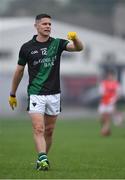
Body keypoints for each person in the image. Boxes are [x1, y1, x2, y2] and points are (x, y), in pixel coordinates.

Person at [8, 13, 83, 171]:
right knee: (39, 129)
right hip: (36, 93)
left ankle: (42, 159)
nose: (48, 26)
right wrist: (12, 94)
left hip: (54, 94)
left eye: (49, 24)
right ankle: (43, 158)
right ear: (36, 26)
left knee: (49, 131)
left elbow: (78, 48)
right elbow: (19, 71)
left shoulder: (57, 43)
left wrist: (75, 38)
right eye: (44, 24)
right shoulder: (26, 47)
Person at [98, 69, 121, 136]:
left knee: (107, 117)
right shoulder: (104, 83)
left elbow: (118, 94)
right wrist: (105, 95)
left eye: (111, 75)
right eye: (109, 75)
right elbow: (101, 93)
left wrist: (114, 100)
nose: (110, 77)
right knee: (102, 118)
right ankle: (107, 129)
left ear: (113, 76)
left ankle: (105, 130)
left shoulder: (116, 84)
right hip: (104, 102)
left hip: (111, 103)